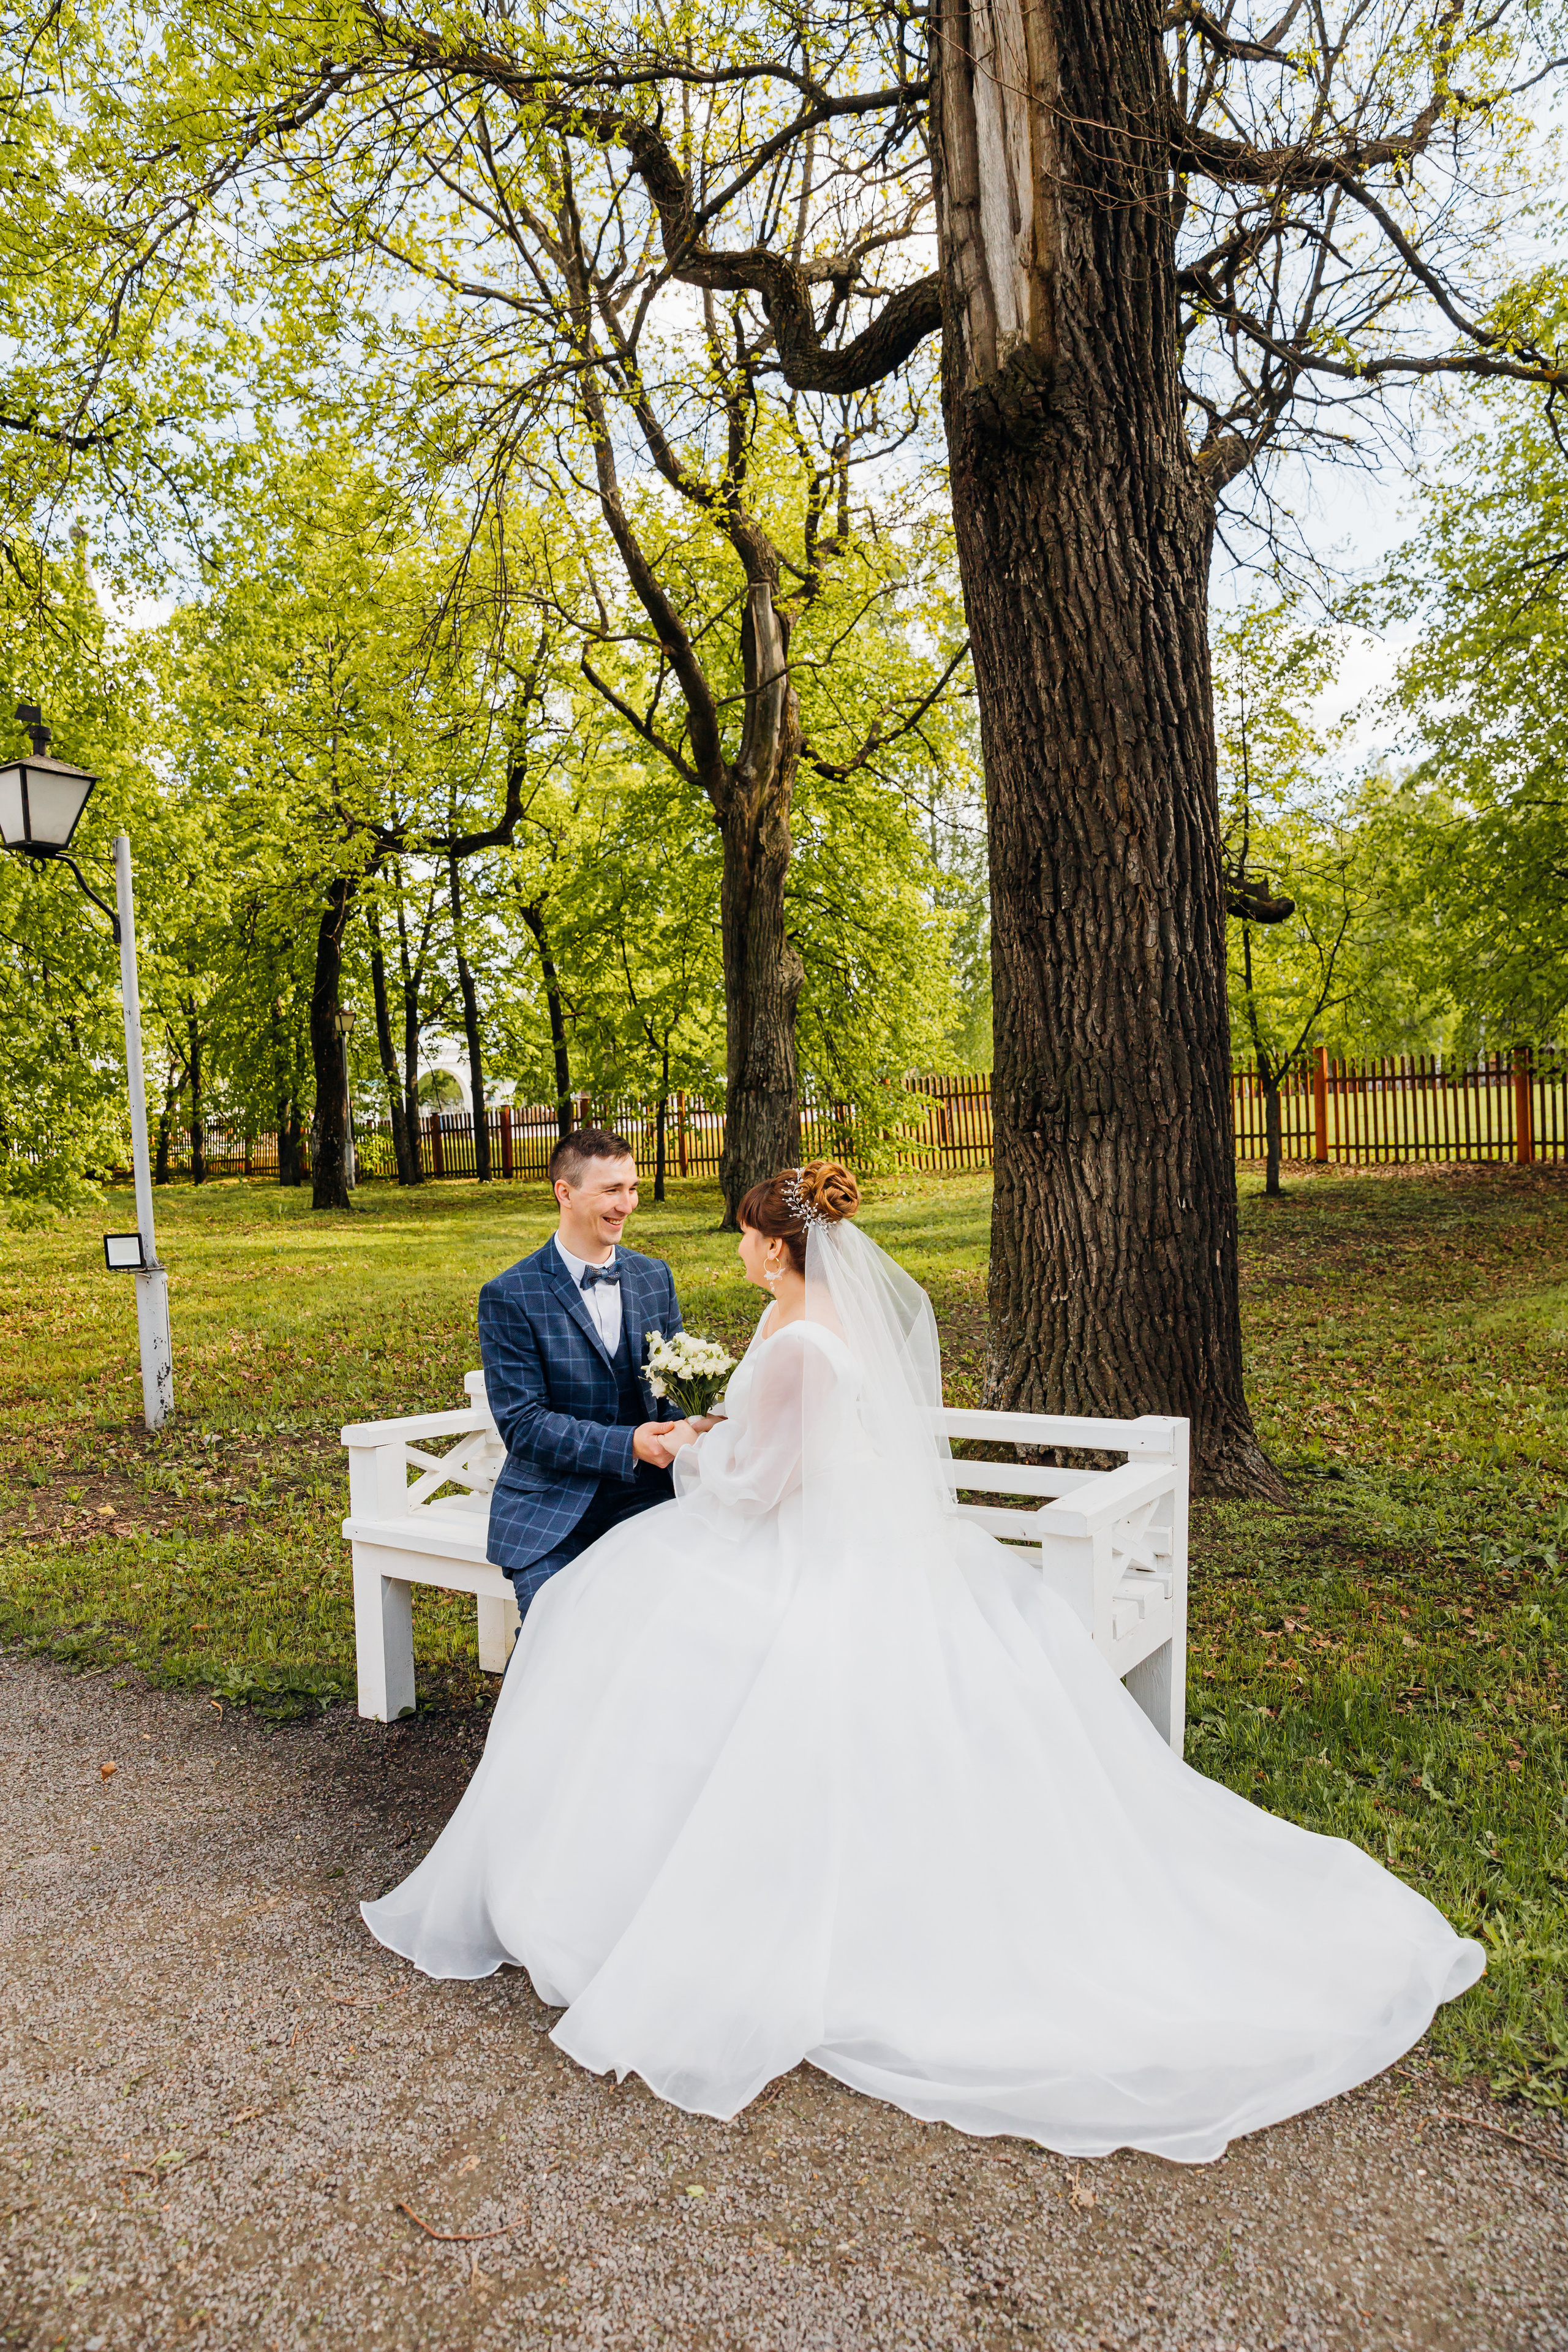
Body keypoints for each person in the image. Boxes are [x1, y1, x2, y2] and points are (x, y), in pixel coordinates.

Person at [364, 1160, 1483, 2163]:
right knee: (606, 1617)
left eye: (748, 1235)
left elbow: (764, 1487)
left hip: (778, 1542)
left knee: (618, 1626)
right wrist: (705, 1445)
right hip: (800, 1534)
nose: (735, 1248)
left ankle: (667, 1890)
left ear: (779, 1246)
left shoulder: (800, 1340)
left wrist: (700, 1460)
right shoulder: (803, 1325)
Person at [476, 1127, 685, 1626]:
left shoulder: (655, 1276)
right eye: (611, 1190)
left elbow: (674, 1393)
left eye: (631, 1188)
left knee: (675, 1620)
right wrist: (629, 1444)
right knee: (563, 1631)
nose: (628, 1204)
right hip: (551, 1509)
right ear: (564, 1193)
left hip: (650, 1497)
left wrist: (687, 1426)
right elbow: (524, 1425)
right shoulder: (510, 1293)